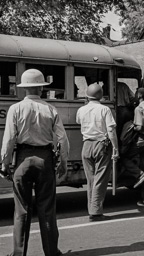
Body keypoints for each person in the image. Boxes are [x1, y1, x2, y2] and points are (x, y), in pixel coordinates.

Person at [1, 69, 69, 256]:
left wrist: (4, 164)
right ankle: (51, 252)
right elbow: (63, 139)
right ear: (40, 88)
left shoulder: (15, 109)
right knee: (47, 208)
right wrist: (63, 163)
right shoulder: (50, 109)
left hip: (22, 158)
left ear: (24, 89)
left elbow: (9, 139)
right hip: (45, 159)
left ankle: (18, 253)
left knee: (21, 209)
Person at [76, 83, 119, 221]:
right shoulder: (104, 109)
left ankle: (91, 208)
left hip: (86, 145)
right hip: (101, 145)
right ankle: (95, 211)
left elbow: (78, 122)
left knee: (91, 179)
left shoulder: (81, 110)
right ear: (101, 95)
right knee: (100, 179)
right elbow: (111, 130)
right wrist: (116, 149)